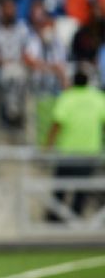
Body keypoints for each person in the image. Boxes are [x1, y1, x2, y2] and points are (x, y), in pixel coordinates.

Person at [44, 70, 105, 222]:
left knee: (60, 189)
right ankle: (75, 220)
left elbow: (56, 124)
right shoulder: (98, 98)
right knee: (81, 190)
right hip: (89, 152)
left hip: (67, 153)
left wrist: (48, 145)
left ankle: (54, 221)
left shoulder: (67, 97)